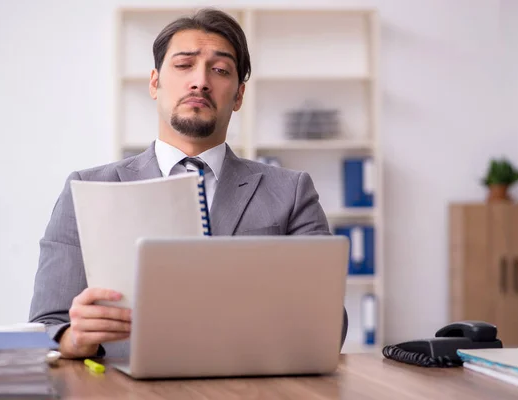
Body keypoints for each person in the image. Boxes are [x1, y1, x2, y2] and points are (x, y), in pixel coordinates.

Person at [29, 8, 348, 359]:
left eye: (220, 70)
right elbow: (47, 324)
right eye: (184, 65)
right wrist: (76, 338)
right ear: (155, 83)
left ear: (239, 95)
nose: (200, 81)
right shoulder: (88, 189)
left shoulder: (291, 191)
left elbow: (331, 325)